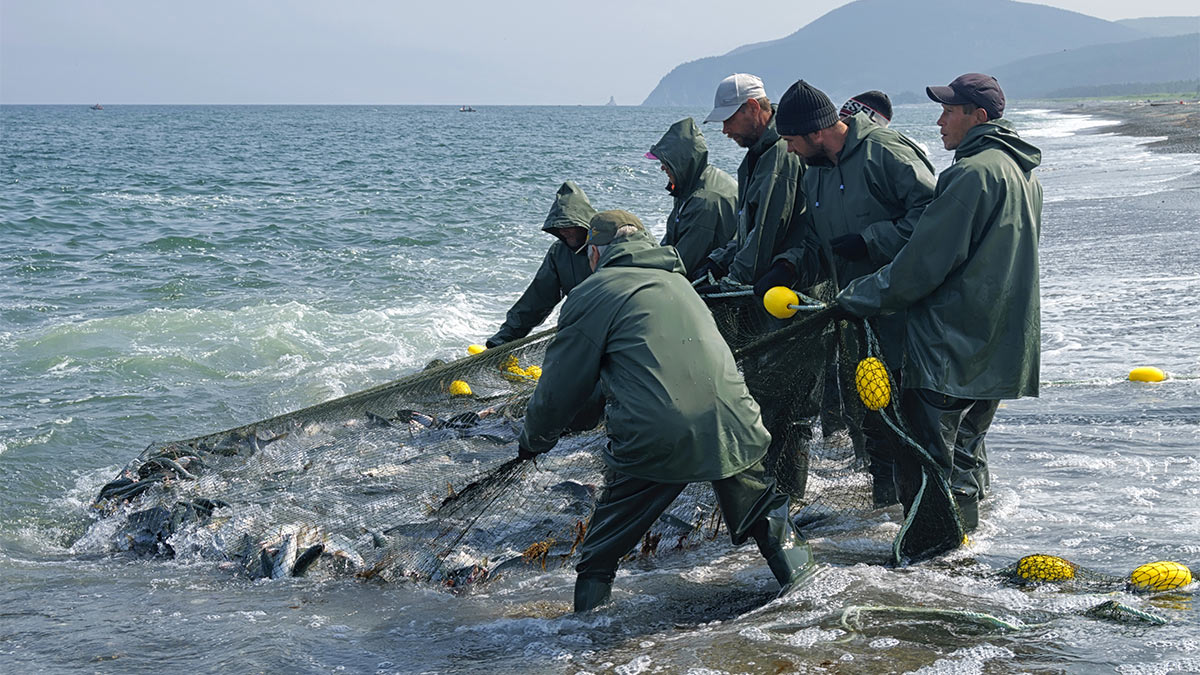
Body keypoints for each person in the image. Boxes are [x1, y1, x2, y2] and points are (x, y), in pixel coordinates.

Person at [516, 210, 815, 612]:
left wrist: (534, 440)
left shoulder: (593, 293)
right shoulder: (679, 282)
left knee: (599, 557)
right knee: (768, 518)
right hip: (736, 422)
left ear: (595, 254)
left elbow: (558, 390)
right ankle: (815, 599)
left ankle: (586, 645)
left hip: (659, 434)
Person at [834, 73, 1043, 533]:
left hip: (952, 347)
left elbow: (921, 267)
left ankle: (930, 560)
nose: (939, 120)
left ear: (979, 116)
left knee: (927, 466)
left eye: (950, 111)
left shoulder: (969, 174)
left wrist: (855, 298)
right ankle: (963, 560)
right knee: (965, 461)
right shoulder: (1022, 172)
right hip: (1001, 344)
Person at [753, 80, 936, 507]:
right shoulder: (815, 173)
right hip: (856, 314)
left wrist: (872, 240)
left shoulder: (885, 153)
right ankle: (886, 515)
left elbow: (936, 217)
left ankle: (941, 522)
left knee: (914, 418)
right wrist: (789, 266)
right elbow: (820, 245)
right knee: (872, 418)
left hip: (907, 315)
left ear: (818, 132)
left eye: (792, 139)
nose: (789, 149)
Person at [693, 73, 807, 287]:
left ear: (753, 107)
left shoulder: (780, 155)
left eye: (729, 119)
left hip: (784, 293)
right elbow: (750, 233)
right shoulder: (759, 154)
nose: (725, 130)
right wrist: (718, 261)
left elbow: (765, 234)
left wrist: (731, 283)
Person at [485, 181, 597, 348]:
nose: (563, 231)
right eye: (558, 227)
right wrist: (503, 340)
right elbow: (536, 301)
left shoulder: (610, 245)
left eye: (568, 225)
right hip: (580, 330)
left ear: (584, 223)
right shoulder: (559, 253)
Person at [644, 118, 737, 275]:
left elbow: (683, 262)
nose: (662, 168)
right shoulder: (690, 185)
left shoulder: (705, 200)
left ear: (681, 162)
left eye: (666, 163)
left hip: (712, 276)